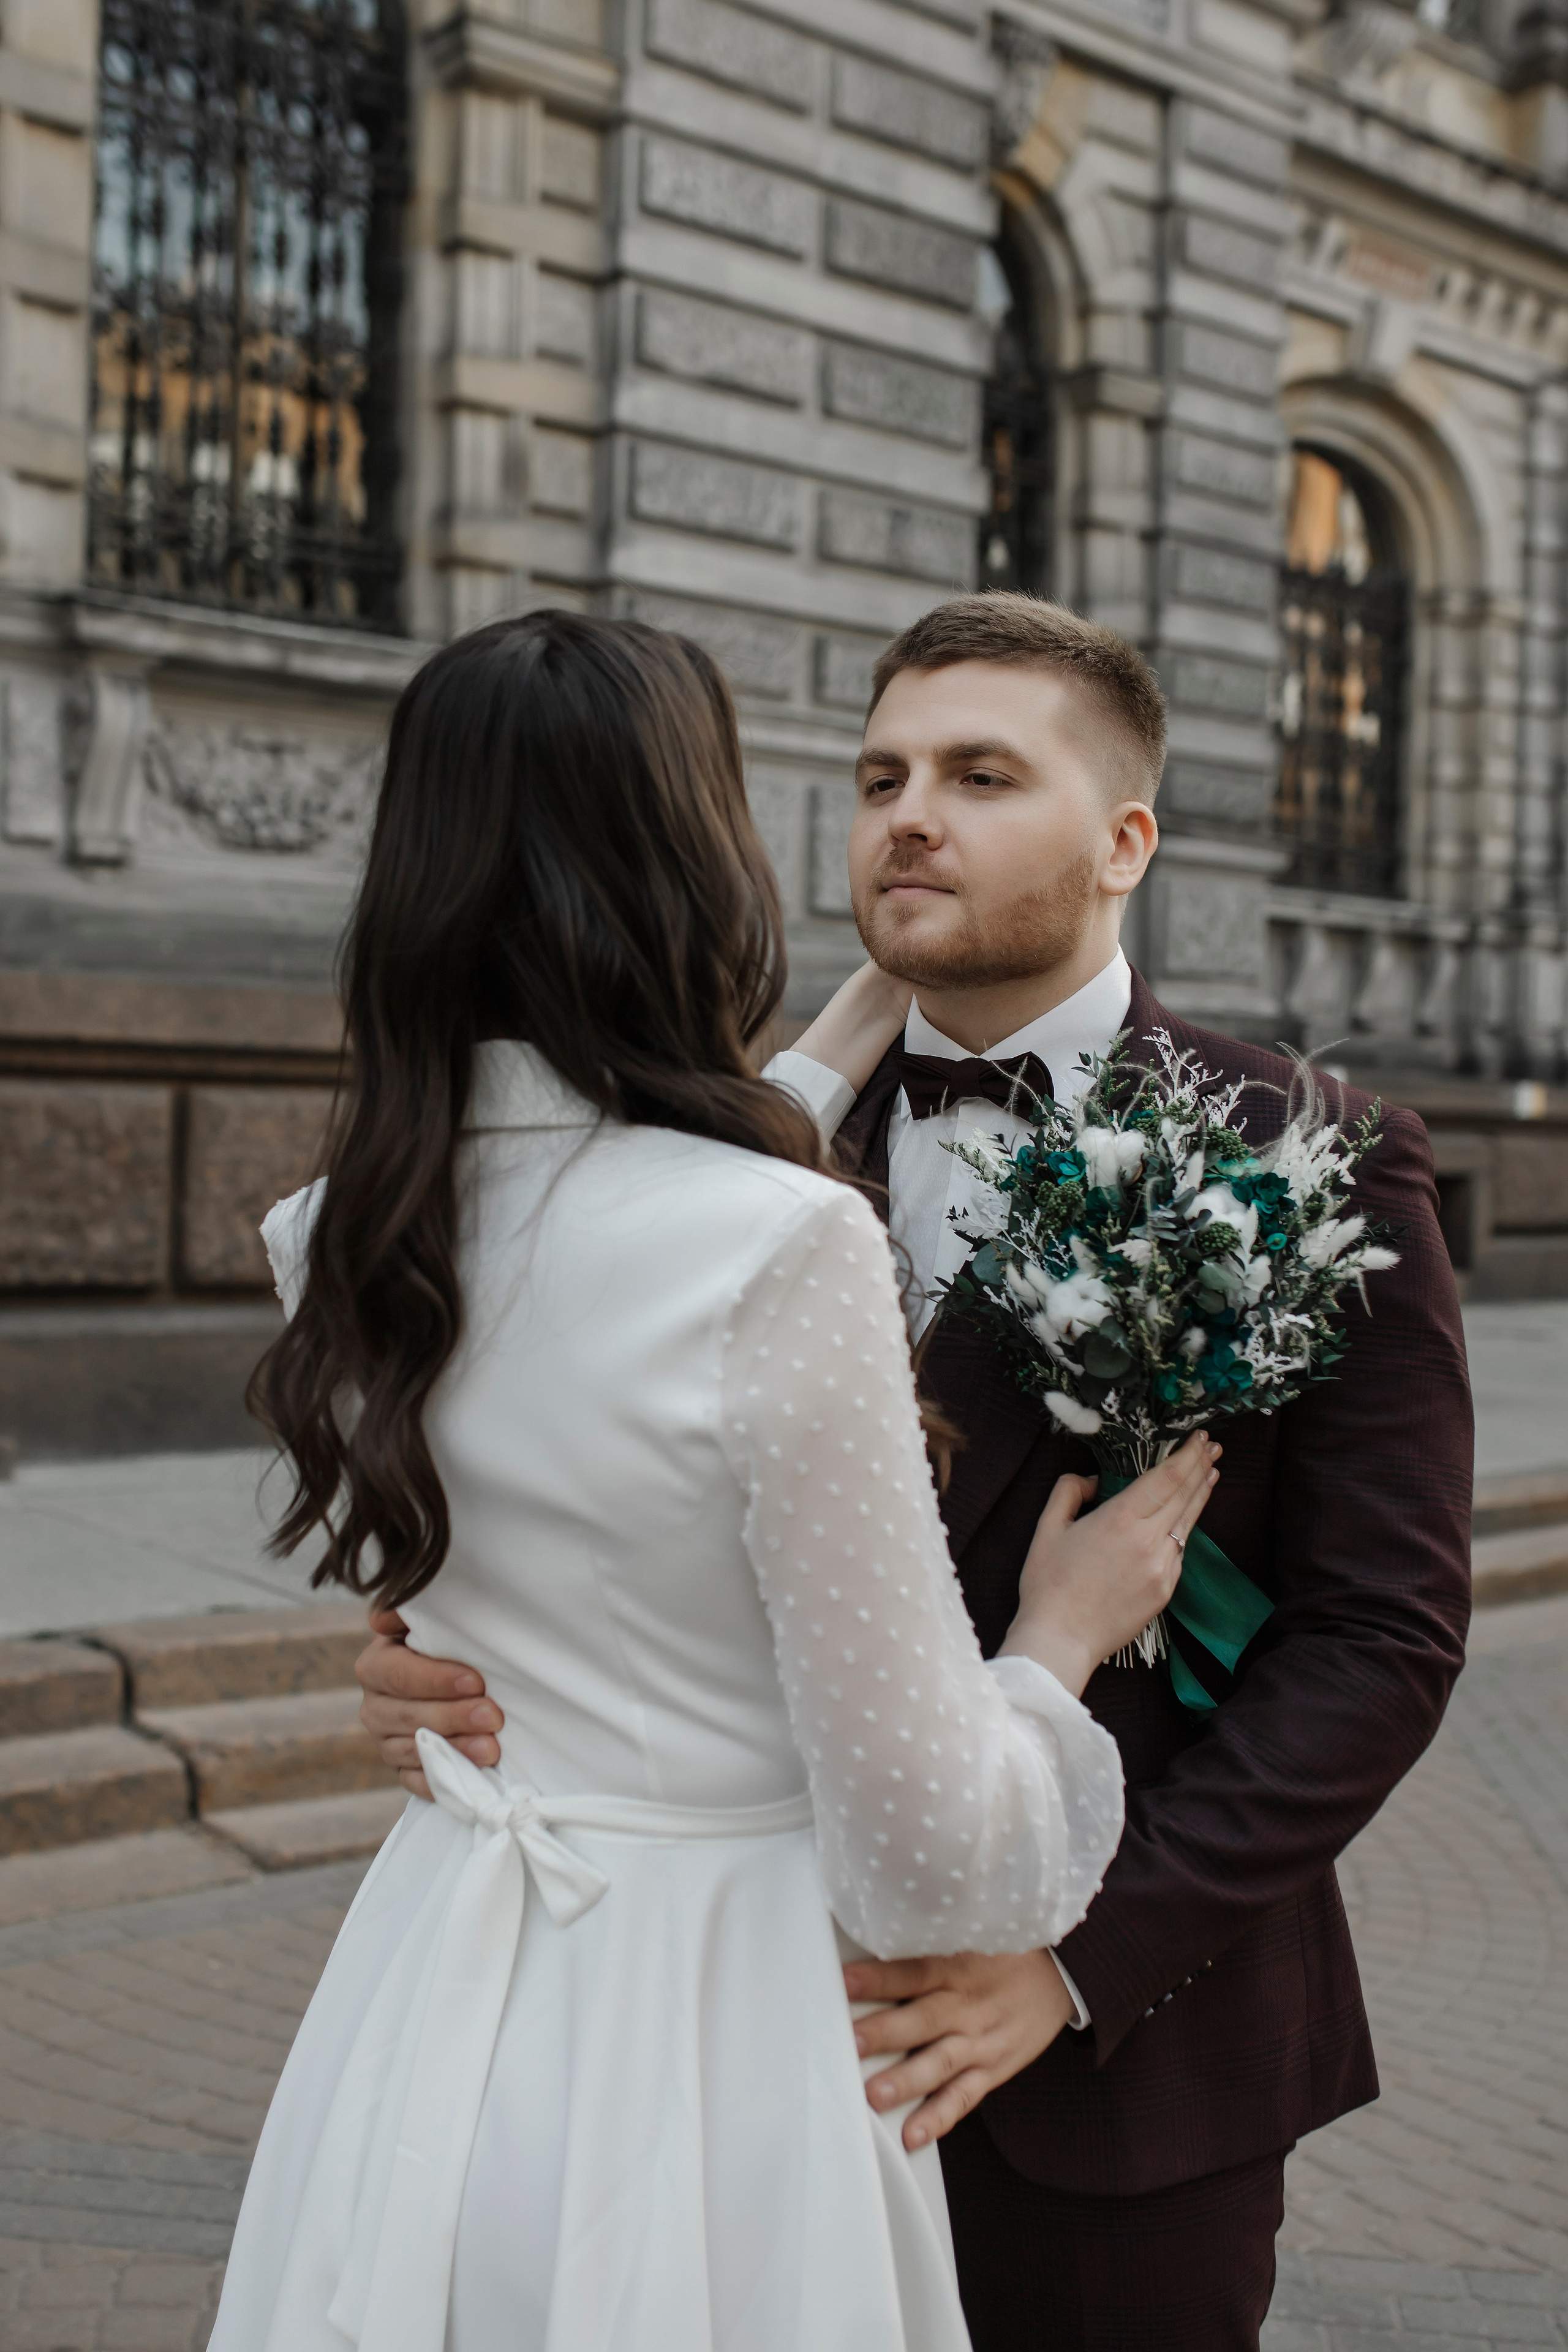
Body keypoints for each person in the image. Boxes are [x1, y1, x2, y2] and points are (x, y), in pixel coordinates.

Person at [361, 592, 1474, 2352]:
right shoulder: (733, 1171)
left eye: (979, 774)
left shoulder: (1313, 1153)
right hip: (748, 2049)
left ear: (1125, 842)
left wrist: (1072, 1966)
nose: (908, 815)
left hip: (1120, 2073)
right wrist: (443, 1649)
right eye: (881, 773)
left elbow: (1382, 1640)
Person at [210, 609, 1222, 2352]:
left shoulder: (336, 1238)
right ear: (692, 852)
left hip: (439, 1988)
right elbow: (928, 1857)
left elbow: (593, 1250)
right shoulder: (780, 1249)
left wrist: (835, 1041)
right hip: (718, 2022)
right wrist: (1052, 1644)